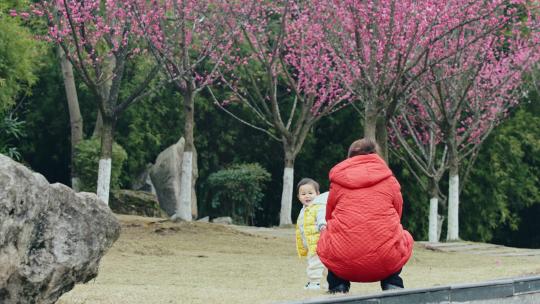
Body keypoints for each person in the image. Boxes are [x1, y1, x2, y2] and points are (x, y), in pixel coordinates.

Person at [316, 138, 414, 294]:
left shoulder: (338, 182)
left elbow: (329, 215)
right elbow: (397, 213)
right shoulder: (390, 180)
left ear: (350, 157)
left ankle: (337, 284)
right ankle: (392, 282)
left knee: (328, 236)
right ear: (375, 155)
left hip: (343, 259)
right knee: (402, 236)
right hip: (385, 260)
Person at [295, 178, 328, 290]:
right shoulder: (304, 209)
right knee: (325, 265)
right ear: (298, 197)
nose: (307, 196)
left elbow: (322, 218)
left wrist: (323, 225)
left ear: (317, 194)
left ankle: (314, 283)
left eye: (310, 193)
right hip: (310, 243)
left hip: (318, 242)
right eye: (303, 194)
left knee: (314, 263)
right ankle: (332, 281)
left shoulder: (319, 207)